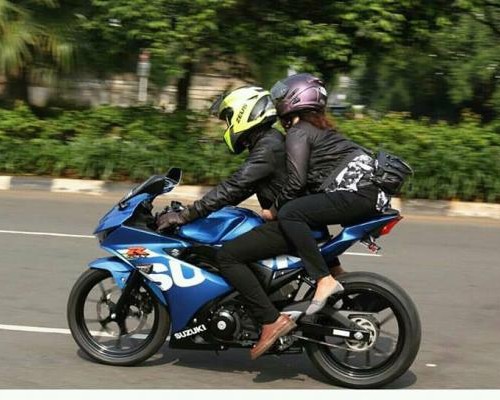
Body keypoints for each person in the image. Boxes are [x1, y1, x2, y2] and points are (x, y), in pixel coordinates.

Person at [156, 86, 298, 360]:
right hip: (290, 221)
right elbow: (238, 189)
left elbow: (233, 187)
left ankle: (270, 320)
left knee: (228, 256)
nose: (229, 125)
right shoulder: (268, 142)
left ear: (246, 113)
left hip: (288, 224)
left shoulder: (268, 147)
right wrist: (194, 210)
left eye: (230, 117)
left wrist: (186, 216)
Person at [266, 73, 390, 315]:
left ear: (296, 99)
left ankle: (323, 279)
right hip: (366, 193)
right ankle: (345, 283)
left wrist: (273, 209)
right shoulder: (319, 127)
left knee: (290, 213)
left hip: (356, 194)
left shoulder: (299, 131)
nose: (278, 103)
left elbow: (296, 181)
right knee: (307, 210)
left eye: (281, 97)